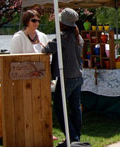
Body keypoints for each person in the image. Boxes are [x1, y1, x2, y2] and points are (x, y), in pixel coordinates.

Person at [42, 8, 83, 146]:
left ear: (63, 22)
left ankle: (72, 138)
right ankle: (75, 137)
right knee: (75, 107)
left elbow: (46, 49)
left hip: (67, 77)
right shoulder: (78, 36)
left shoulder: (63, 37)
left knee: (59, 108)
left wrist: (46, 43)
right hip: (78, 76)